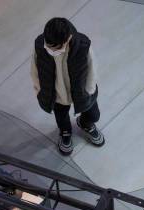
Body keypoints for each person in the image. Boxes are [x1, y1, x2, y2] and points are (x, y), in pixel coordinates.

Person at [31, 17, 104, 156]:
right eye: (49, 46)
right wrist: (39, 90)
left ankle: (86, 123)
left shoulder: (83, 45)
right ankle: (65, 133)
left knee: (94, 115)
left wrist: (88, 91)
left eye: (55, 48)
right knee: (61, 118)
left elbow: (92, 68)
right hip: (57, 94)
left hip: (81, 91)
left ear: (68, 38)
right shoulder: (40, 45)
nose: (51, 50)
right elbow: (34, 69)